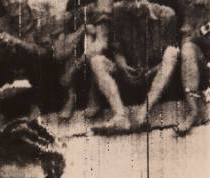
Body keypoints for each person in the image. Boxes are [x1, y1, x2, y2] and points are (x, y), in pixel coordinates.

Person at [89, 0, 179, 134]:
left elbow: (170, 58)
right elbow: (117, 49)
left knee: (172, 53)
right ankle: (120, 116)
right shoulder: (119, 12)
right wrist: (123, 65)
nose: (134, 5)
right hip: (128, 74)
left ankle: (143, 113)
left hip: (154, 76)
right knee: (97, 61)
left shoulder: (167, 15)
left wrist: (150, 71)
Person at [0, 0, 55, 121]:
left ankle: (35, 109)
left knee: (38, 58)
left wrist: (18, 43)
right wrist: (1, 49)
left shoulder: (41, 17)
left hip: (37, 76)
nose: (11, 2)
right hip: (13, 75)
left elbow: (47, 53)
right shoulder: (0, 23)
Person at [55, 0, 113, 121]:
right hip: (81, 62)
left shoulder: (100, 5)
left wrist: (72, 70)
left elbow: (100, 44)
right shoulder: (72, 9)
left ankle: (94, 96)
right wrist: (82, 29)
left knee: (90, 37)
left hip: (105, 56)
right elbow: (60, 53)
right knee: (72, 44)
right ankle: (71, 96)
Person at [174, 0, 210, 135]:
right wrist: (200, 33)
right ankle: (193, 110)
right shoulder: (191, 6)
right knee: (187, 50)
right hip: (204, 60)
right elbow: (187, 38)